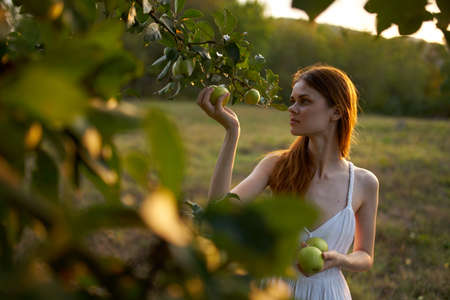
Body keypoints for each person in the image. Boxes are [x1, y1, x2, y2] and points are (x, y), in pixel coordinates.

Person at [196, 63, 380, 299]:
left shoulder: (364, 183)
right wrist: (232, 132)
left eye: (304, 101)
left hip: (328, 292)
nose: (292, 109)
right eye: (292, 100)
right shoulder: (277, 166)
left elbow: (365, 255)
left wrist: (340, 259)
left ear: (336, 111)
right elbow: (219, 210)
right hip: (274, 290)